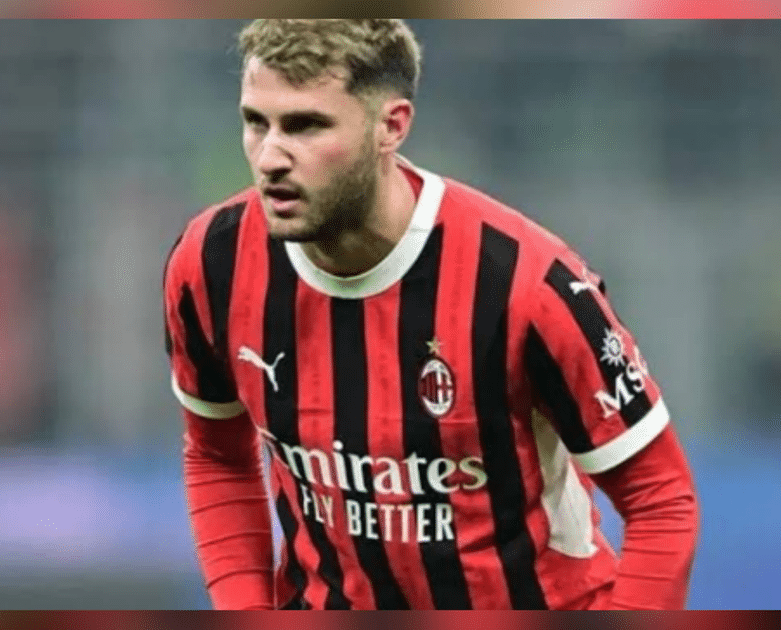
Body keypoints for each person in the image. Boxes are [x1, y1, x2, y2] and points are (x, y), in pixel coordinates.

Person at [162, 18, 699, 610]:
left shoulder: (524, 281)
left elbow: (661, 502)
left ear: (391, 126)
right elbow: (216, 452)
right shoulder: (211, 261)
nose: (269, 157)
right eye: (255, 122)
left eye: (306, 125)